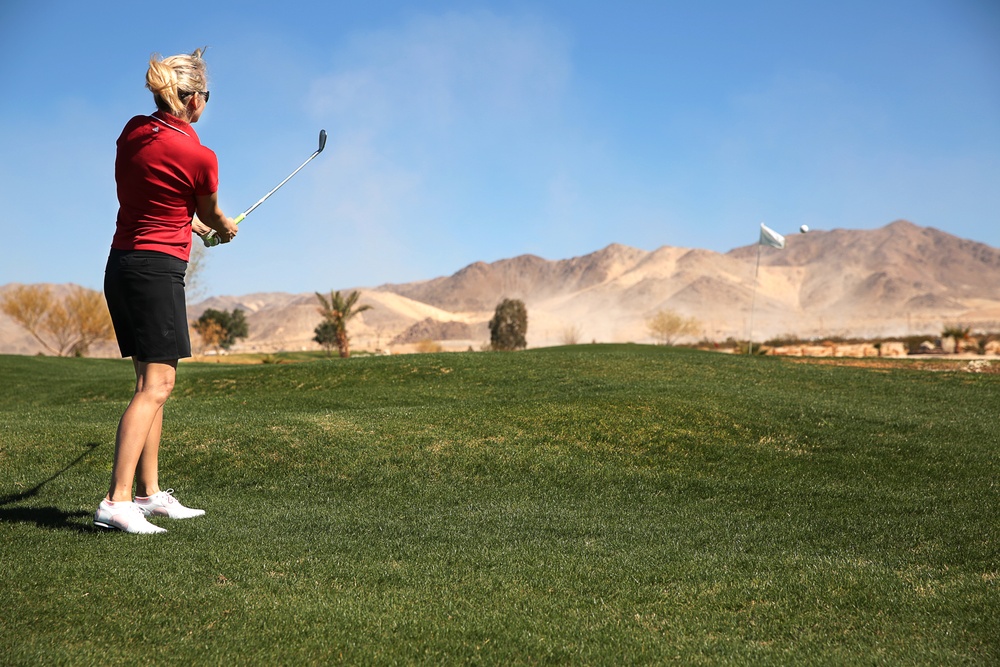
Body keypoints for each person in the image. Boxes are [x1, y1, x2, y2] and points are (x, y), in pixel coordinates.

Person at [95, 49, 239, 534]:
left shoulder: (133, 131)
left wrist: (190, 221)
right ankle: (117, 501)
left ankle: (149, 494)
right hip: (156, 272)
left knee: (149, 386)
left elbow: (153, 190)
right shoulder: (200, 154)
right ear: (194, 99)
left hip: (123, 265)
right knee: (159, 385)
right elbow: (216, 213)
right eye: (207, 96)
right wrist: (223, 227)